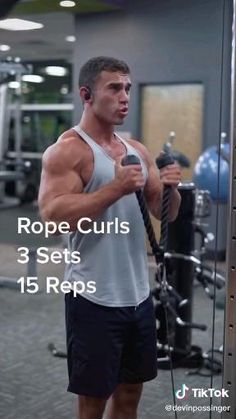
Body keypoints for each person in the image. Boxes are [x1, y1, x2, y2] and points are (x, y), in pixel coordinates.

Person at [38, 56, 181, 419]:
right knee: (93, 402)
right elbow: (52, 218)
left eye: (128, 89)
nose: (125, 97)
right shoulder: (68, 150)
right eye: (114, 88)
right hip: (93, 297)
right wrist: (115, 189)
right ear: (86, 94)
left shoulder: (137, 150)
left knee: (131, 392)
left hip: (137, 295)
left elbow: (166, 212)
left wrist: (169, 188)